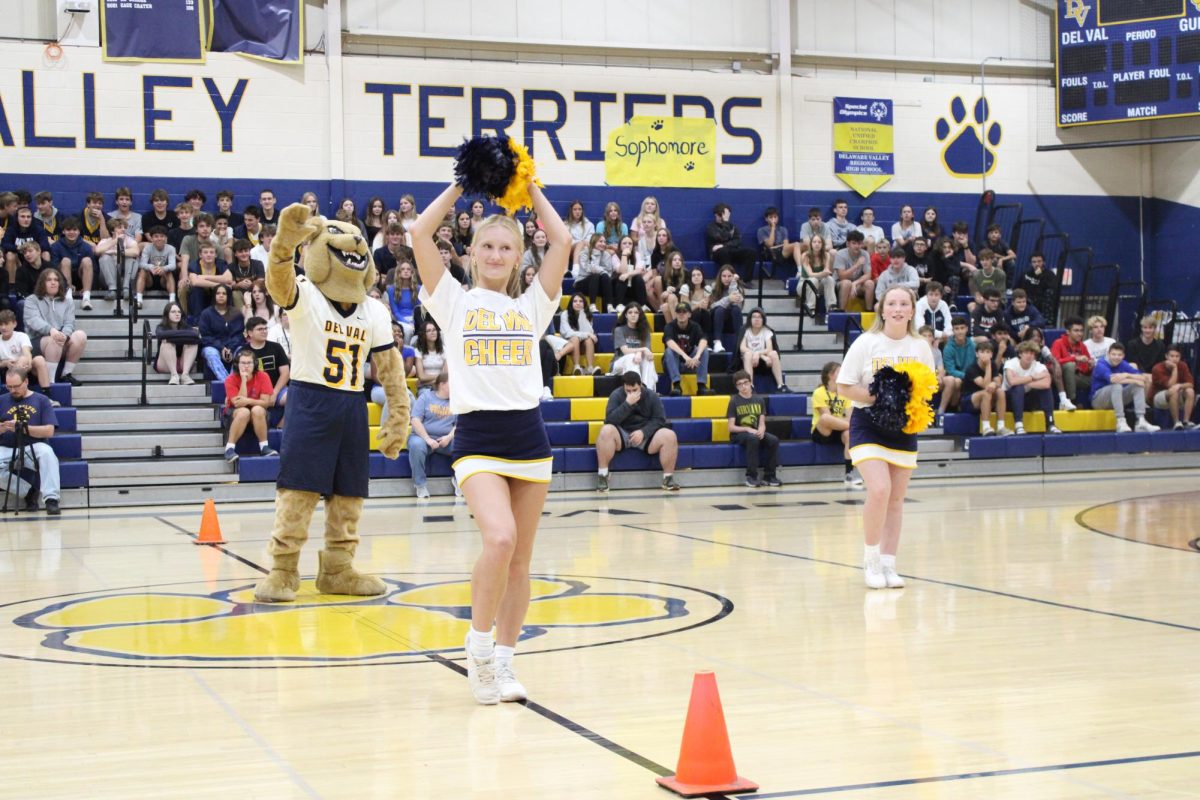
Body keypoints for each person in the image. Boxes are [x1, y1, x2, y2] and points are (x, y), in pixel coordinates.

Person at [412, 166, 570, 706]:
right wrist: (462, 180)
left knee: (521, 562)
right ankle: (477, 649)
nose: (497, 255)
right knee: (498, 539)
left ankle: (504, 662)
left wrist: (530, 189)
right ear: (471, 252)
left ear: (519, 256)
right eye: (488, 246)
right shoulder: (452, 301)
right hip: (477, 437)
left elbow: (565, 240)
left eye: (507, 247)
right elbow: (417, 234)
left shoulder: (533, 306)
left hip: (529, 437)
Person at [836, 285, 936, 589]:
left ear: (911, 311)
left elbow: (929, 388)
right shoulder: (867, 343)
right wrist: (881, 396)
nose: (897, 308)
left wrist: (907, 401)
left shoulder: (920, 347)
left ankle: (889, 564)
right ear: (882, 309)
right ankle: (871, 560)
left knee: (895, 498)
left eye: (903, 303)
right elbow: (843, 386)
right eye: (891, 303)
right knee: (879, 489)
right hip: (867, 423)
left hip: (903, 428)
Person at [596, 371, 680, 492]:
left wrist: (643, 432)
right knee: (606, 431)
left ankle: (668, 479)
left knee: (670, 435)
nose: (631, 393)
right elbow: (609, 419)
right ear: (623, 387)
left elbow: (660, 419)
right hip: (622, 434)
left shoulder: (651, 396)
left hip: (646, 436)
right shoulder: (616, 395)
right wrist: (627, 404)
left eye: (634, 390)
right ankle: (602, 476)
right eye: (628, 391)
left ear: (640, 385)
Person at [0, 367, 61, 514]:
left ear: (26, 381)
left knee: (48, 453)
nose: (13, 390)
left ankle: (51, 499)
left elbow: (49, 431)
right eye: (9, 387)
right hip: (7, 447)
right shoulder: (1, 400)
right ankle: (28, 492)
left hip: (34, 445)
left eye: (16, 386)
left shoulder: (41, 400)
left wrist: (24, 428)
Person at [23, 269, 88, 387]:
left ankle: (66, 374)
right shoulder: (32, 300)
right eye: (49, 280)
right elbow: (34, 321)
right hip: (38, 341)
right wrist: (51, 330)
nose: (53, 283)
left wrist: (65, 334)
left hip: (59, 339)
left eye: (56, 280)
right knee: (54, 340)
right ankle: (50, 381)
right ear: (42, 283)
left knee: (80, 335)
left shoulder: (68, 302)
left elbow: (70, 322)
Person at [407, 372, 457, 499]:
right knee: (416, 445)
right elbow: (415, 420)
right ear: (442, 384)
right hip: (423, 438)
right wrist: (427, 439)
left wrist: (449, 437)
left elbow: (460, 424)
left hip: (446, 440)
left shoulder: (457, 401)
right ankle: (420, 485)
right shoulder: (426, 397)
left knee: (464, 444)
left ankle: (459, 481)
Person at [222, 349, 278, 462]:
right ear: (237, 365)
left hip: (258, 417)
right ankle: (229, 449)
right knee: (244, 411)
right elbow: (237, 404)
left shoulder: (263, 376)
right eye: (243, 363)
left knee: (257, 409)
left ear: (255, 364)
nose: (246, 366)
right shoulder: (230, 379)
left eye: (249, 363)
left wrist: (247, 401)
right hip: (235, 415)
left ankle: (264, 447)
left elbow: (266, 403)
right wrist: (243, 380)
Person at [728, 370, 781, 488]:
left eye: (745, 383)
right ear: (736, 387)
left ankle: (769, 475)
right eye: (739, 384)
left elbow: (761, 422)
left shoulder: (759, 400)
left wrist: (762, 430)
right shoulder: (734, 401)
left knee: (773, 440)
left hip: (755, 431)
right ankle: (751, 476)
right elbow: (731, 427)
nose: (743, 386)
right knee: (753, 439)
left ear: (750, 382)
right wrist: (747, 429)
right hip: (739, 434)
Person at [1090, 343, 1160, 433]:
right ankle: (1120, 421)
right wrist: (1133, 380)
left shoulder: (1123, 364)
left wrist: (1126, 374)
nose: (1116, 357)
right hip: (1098, 400)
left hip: (1116, 397)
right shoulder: (1101, 364)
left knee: (1137, 386)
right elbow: (1113, 379)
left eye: (1119, 355)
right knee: (1117, 386)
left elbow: (1143, 378)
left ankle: (1141, 421)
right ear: (1108, 354)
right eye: (1113, 354)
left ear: (1123, 356)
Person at [811, 361, 859, 487]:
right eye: (839, 371)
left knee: (849, 435)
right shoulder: (819, 392)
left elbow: (850, 417)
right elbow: (827, 417)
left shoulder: (844, 392)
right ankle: (856, 429)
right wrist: (847, 423)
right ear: (830, 376)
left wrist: (847, 424)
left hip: (840, 429)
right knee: (826, 417)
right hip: (823, 431)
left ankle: (849, 474)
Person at [1004, 341, 1063, 435]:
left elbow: (1047, 383)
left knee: (1045, 390)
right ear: (1020, 354)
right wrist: (1033, 378)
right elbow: (1012, 381)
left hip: (1029, 400)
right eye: (1026, 352)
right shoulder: (1011, 363)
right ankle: (1018, 425)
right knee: (1018, 387)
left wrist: (1026, 384)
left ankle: (1050, 424)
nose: (1029, 355)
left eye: (1032, 353)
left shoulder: (1039, 365)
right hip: (1009, 401)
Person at [241, 315, 290, 424]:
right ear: (250, 333)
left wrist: (274, 393)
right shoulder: (243, 351)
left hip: (276, 389)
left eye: (265, 328)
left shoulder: (276, 347)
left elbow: (285, 373)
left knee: (294, 397)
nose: (264, 331)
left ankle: (282, 426)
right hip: (253, 392)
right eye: (260, 329)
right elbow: (240, 376)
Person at [663, 302, 712, 396]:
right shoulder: (669, 326)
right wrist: (685, 356)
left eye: (684, 312)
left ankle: (701, 386)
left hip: (690, 364)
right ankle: (677, 386)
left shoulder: (695, 326)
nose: (681, 314)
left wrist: (697, 356)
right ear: (676, 314)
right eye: (679, 312)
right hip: (672, 364)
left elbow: (704, 340)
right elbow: (669, 342)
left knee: (704, 350)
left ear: (689, 314)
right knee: (669, 351)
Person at [1020, 326, 1074, 411]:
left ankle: (1063, 399)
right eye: (1033, 336)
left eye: (1038, 336)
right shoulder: (1023, 349)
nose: (1036, 338)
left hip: (1041, 376)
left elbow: (1053, 359)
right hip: (1026, 376)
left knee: (1053, 367)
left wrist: (1057, 365)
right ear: (1027, 338)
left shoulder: (1043, 348)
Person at [962, 339, 1008, 435]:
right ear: (977, 354)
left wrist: (994, 384)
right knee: (986, 392)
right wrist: (988, 366)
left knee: (1000, 392)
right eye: (982, 352)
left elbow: (998, 382)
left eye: (988, 352)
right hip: (969, 401)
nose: (985, 354)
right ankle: (986, 427)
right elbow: (985, 385)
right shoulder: (971, 368)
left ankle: (1001, 426)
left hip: (987, 400)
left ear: (991, 355)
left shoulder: (993, 365)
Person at [199, 284, 244, 381]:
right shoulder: (206, 314)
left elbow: (239, 335)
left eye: (224, 293)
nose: (221, 295)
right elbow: (206, 337)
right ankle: (227, 383)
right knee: (210, 353)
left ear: (228, 296)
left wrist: (230, 349)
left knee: (242, 351)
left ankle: (233, 381)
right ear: (214, 296)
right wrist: (221, 348)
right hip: (213, 347)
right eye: (218, 293)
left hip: (233, 347)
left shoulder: (236, 313)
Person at [0, 308, 52, 393]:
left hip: (26, 367)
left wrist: (28, 365)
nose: (3, 327)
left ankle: (46, 393)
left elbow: (27, 353)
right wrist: (6, 363)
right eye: (1, 324)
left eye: (6, 324)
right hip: (8, 371)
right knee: (22, 360)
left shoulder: (21, 336)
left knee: (39, 359)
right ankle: (17, 389)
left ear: (14, 324)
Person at [738, 308, 789, 393]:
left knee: (773, 353)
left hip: (764, 363)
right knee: (747, 354)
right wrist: (755, 354)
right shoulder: (746, 330)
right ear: (750, 319)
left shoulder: (766, 330)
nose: (757, 319)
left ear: (763, 320)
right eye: (754, 317)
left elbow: (769, 349)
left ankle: (781, 385)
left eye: (759, 317)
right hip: (749, 362)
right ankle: (750, 386)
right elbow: (742, 348)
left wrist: (759, 355)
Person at [49, 218, 95, 311]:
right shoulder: (55, 246)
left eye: (74, 230)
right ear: (63, 231)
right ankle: (68, 297)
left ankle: (86, 298)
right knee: (66, 261)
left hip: (81, 278)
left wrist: (87, 286)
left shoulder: (86, 246)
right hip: (62, 280)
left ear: (79, 232)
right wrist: (66, 284)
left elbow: (94, 269)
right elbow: (54, 268)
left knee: (87, 260)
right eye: (68, 230)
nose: (71, 232)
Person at [705, 203, 757, 282]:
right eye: (721, 214)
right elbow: (722, 237)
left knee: (751, 252)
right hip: (718, 254)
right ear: (716, 215)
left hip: (731, 250)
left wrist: (723, 245)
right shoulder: (710, 227)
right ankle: (731, 279)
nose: (723, 217)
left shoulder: (732, 226)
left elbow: (737, 241)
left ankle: (747, 281)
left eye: (726, 215)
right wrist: (725, 222)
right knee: (724, 251)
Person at [610, 304, 656, 387]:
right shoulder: (619, 330)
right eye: (630, 312)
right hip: (619, 363)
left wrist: (639, 352)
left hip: (638, 360)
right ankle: (637, 387)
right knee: (631, 357)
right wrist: (640, 351)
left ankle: (647, 389)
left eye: (636, 312)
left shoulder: (645, 331)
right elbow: (625, 351)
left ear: (639, 315)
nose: (633, 315)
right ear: (626, 315)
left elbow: (647, 352)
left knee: (648, 359)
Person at [1151, 345, 1197, 430]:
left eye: (1177, 356)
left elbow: (1191, 384)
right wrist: (1175, 368)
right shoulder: (1157, 368)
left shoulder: (1183, 365)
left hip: (1177, 393)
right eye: (1172, 356)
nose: (1174, 359)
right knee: (1173, 391)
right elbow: (1170, 385)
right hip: (1159, 397)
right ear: (1166, 356)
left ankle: (1186, 421)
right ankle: (1176, 422)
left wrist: (1180, 385)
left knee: (1190, 391)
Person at [155, 301, 200, 385]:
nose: (177, 314)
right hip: (165, 365)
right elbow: (160, 334)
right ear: (167, 314)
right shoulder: (161, 327)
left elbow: (195, 334)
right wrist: (184, 336)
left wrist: (171, 337)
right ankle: (174, 375)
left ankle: (185, 375)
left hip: (183, 364)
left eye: (179, 312)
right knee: (166, 343)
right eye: (173, 312)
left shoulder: (185, 326)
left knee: (192, 342)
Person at [135, 225, 178, 309]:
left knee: (168, 272)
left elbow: (173, 265)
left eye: (162, 236)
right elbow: (142, 263)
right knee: (142, 271)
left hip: (163, 279)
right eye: (156, 236)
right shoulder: (147, 248)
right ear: (151, 238)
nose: (159, 239)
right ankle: (139, 300)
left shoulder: (171, 248)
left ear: (166, 238)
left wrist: (163, 268)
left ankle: (172, 301)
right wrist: (151, 267)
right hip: (150, 278)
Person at [559, 293, 600, 375]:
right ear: (571, 303)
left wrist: (582, 314)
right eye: (575, 301)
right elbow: (567, 333)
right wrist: (586, 334)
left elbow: (589, 333)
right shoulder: (565, 314)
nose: (578, 303)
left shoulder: (587, 315)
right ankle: (576, 367)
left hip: (581, 345)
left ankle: (590, 368)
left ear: (584, 304)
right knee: (575, 338)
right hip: (567, 345)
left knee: (588, 340)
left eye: (581, 301)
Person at [796, 234, 837, 316]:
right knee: (813, 280)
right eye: (814, 242)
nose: (817, 244)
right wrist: (823, 273)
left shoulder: (826, 255)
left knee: (829, 279)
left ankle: (831, 307)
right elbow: (810, 274)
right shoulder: (805, 255)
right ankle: (811, 307)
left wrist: (826, 272)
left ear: (822, 245)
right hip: (804, 284)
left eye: (819, 242)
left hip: (819, 285)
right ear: (811, 244)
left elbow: (827, 271)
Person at [573, 233, 615, 312]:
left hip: (598, 284)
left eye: (604, 242)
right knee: (595, 276)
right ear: (594, 241)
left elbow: (609, 272)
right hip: (583, 282)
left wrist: (601, 272)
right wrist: (596, 254)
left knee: (605, 277)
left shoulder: (607, 255)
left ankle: (609, 305)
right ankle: (592, 305)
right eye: (600, 241)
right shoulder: (584, 252)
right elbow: (587, 268)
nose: (603, 244)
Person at [707, 265, 744, 353]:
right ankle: (717, 342)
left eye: (729, 276)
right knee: (720, 309)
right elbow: (711, 307)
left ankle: (740, 342)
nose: (726, 279)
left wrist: (733, 283)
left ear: (733, 276)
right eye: (724, 276)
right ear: (720, 277)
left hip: (731, 321)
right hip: (716, 319)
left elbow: (738, 306)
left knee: (735, 309)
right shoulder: (713, 287)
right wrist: (728, 299)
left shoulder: (739, 289)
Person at [834, 231, 873, 312]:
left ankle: (869, 312)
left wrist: (855, 283)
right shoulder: (840, 254)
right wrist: (857, 265)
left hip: (856, 284)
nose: (857, 246)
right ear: (848, 244)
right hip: (841, 284)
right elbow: (842, 276)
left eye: (859, 243)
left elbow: (868, 275)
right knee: (846, 283)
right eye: (854, 243)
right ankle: (841, 312)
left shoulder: (865, 254)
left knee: (870, 283)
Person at [1016, 252, 1055, 321]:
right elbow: (1017, 287)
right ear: (1031, 264)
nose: (1037, 264)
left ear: (1044, 262)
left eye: (1039, 261)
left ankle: (1047, 320)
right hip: (1027, 298)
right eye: (1034, 262)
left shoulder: (1049, 274)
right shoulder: (1026, 274)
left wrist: (1040, 276)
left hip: (1042, 299)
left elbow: (1051, 288)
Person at [414, 318, 446, 393]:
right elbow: (421, 376)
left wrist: (427, 381)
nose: (433, 332)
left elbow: (447, 376)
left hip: (441, 386)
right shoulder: (418, 351)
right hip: (425, 388)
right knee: (424, 393)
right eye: (428, 331)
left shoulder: (444, 350)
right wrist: (440, 376)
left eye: (434, 330)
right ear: (423, 334)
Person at [757, 206, 790, 274]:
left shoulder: (783, 229)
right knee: (796, 246)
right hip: (771, 254)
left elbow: (786, 244)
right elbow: (770, 244)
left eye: (775, 217)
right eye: (771, 217)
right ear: (766, 219)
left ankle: (800, 270)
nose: (773, 219)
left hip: (783, 251)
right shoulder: (761, 230)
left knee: (797, 246)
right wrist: (773, 228)